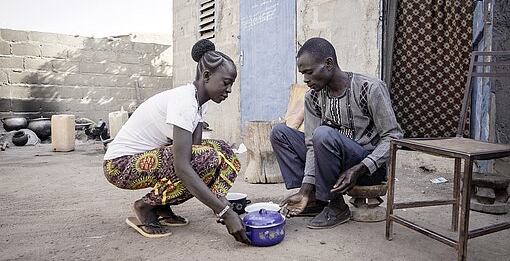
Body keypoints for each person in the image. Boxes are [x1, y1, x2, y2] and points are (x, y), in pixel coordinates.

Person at [103, 39, 250, 244]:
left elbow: (196, 149)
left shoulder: (198, 103)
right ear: (206, 76)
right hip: (120, 165)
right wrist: (226, 213)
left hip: (147, 158)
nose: (230, 90)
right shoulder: (184, 101)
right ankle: (145, 207)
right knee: (204, 160)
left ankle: (163, 205)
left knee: (225, 153)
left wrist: (220, 203)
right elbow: (183, 167)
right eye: (226, 83)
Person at [270, 37, 403, 229]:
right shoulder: (313, 97)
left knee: (323, 134)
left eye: (309, 72)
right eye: (303, 74)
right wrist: (305, 189)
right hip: (330, 158)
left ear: (329, 64)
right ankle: (314, 199)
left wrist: (361, 167)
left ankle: (337, 206)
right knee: (280, 133)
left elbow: (393, 137)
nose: (306, 80)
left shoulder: (370, 88)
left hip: (367, 167)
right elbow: (310, 146)